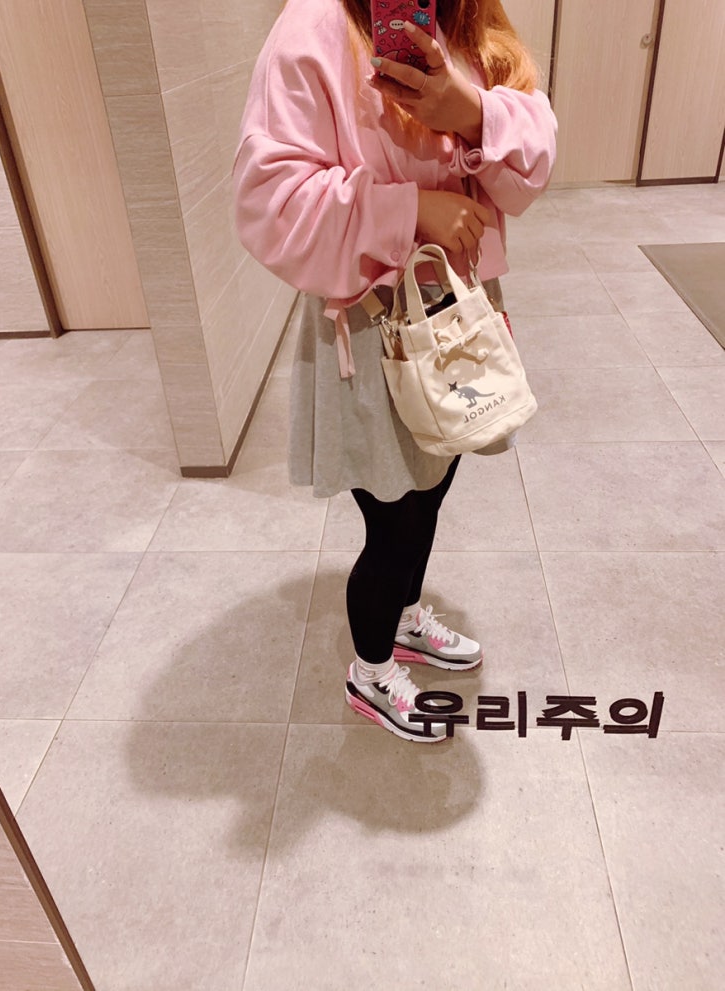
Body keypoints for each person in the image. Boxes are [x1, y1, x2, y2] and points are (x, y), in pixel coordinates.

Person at [233, 0, 556, 742]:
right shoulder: (314, 27)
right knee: (394, 518)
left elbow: (530, 169)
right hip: (371, 320)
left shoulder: (470, 22)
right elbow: (268, 199)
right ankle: (370, 672)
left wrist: (470, 112)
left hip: (457, 309)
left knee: (433, 484)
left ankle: (404, 618)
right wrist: (408, 209)